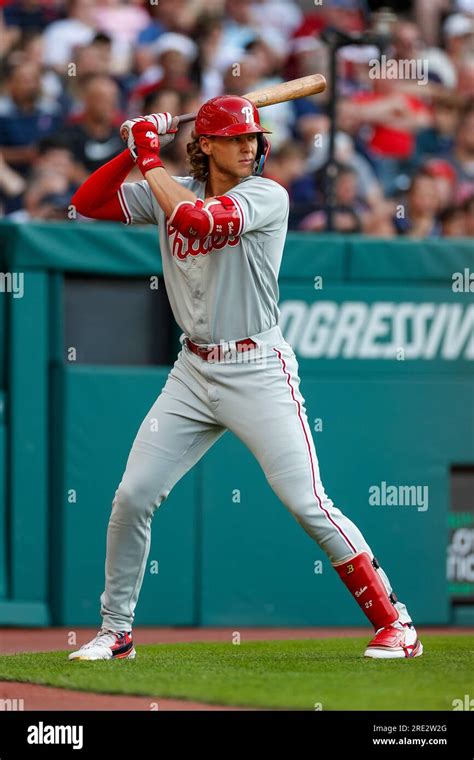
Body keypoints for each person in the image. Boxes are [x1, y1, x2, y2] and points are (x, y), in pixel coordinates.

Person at [68, 96, 423, 662]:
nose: (251, 146)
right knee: (133, 496)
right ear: (206, 145)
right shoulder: (171, 186)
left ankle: (396, 624)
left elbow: (195, 220)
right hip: (192, 369)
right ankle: (117, 632)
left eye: (254, 138)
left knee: (306, 500)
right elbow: (86, 203)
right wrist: (129, 149)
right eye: (236, 137)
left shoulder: (265, 194)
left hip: (257, 366)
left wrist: (148, 156)